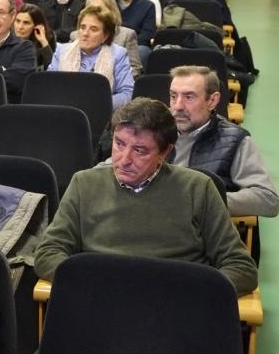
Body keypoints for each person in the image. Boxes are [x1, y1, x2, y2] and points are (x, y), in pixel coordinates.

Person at [34, 97, 258, 296]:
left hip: (174, 309)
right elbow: (48, 253)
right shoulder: (84, 183)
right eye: (119, 144)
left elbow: (241, 268)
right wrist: (91, 283)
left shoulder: (198, 188)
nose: (124, 159)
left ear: (165, 153)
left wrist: (189, 293)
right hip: (101, 303)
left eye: (140, 150)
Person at [168, 65, 278, 217]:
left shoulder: (235, 140)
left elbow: (268, 200)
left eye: (189, 97)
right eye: (173, 96)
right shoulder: (155, 132)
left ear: (212, 101)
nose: (178, 106)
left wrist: (204, 201)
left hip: (199, 234)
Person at [48, 4, 134, 110]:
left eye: (93, 29)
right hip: (65, 112)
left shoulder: (118, 54)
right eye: (82, 27)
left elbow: (127, 94)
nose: (85, 33)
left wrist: (96, 103)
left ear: (106, 35)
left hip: (103, 115)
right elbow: (49, 87)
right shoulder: (62, 51)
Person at [69, 0, 143, 77]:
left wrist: (113, 79)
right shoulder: (75, 36)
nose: (95, 14)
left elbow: (135, 69)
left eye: (100, 10)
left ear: (112, 12)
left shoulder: (127, 35)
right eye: (91, 9)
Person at [114, 0, 156, 67]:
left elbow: (147, 35)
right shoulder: (109, 4)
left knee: (143, 51)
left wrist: (125, 45)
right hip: (111, 45)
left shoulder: (148, 6)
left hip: (136, 46)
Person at [13, 3, 55, 70]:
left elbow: (53, 68)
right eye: (17, 21)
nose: (20, 27)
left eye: (26, 23)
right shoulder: (6, 38)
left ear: (36, 26)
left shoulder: (46, 39)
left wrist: (43, 41)